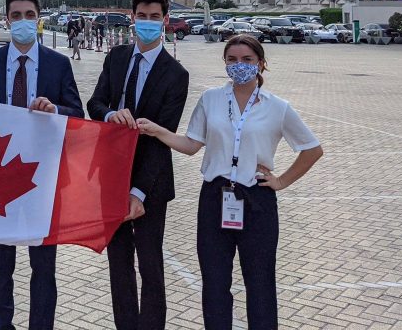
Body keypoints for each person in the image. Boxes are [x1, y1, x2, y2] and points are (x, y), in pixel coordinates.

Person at [138, 34, 324, 330]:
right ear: (225, 63)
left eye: (248, 60)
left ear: (261, 64)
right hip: (215, 197)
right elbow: (190, 144)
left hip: (257, 198)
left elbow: (312, 149)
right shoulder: (211, 99)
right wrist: (157, 131)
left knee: (260, 283)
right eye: (233, 60)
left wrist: (281, 181)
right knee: (214, 283)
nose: (240, 66)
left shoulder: (277, 107)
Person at [0, 0, 84, 330]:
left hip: (42, 180)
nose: (22, 21)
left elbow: (77, 114)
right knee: (0, 265)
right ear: (7, 20)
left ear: (39, 19)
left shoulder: (58, 64)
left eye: (29, 15)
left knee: (44, 266)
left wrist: (56, 110)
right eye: (15, 15)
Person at [86, 0, 189, 330]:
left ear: (165, 21)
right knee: (119, 264)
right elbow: (95, 103)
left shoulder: (176, 75)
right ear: (132, 18)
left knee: (150, 263)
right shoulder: (116, 58)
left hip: (150, 184)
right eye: (141, 17)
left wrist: (139, 193)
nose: (147, 23)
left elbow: (162, 139)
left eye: (154, 18)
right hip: (111, 177)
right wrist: (110, 114)